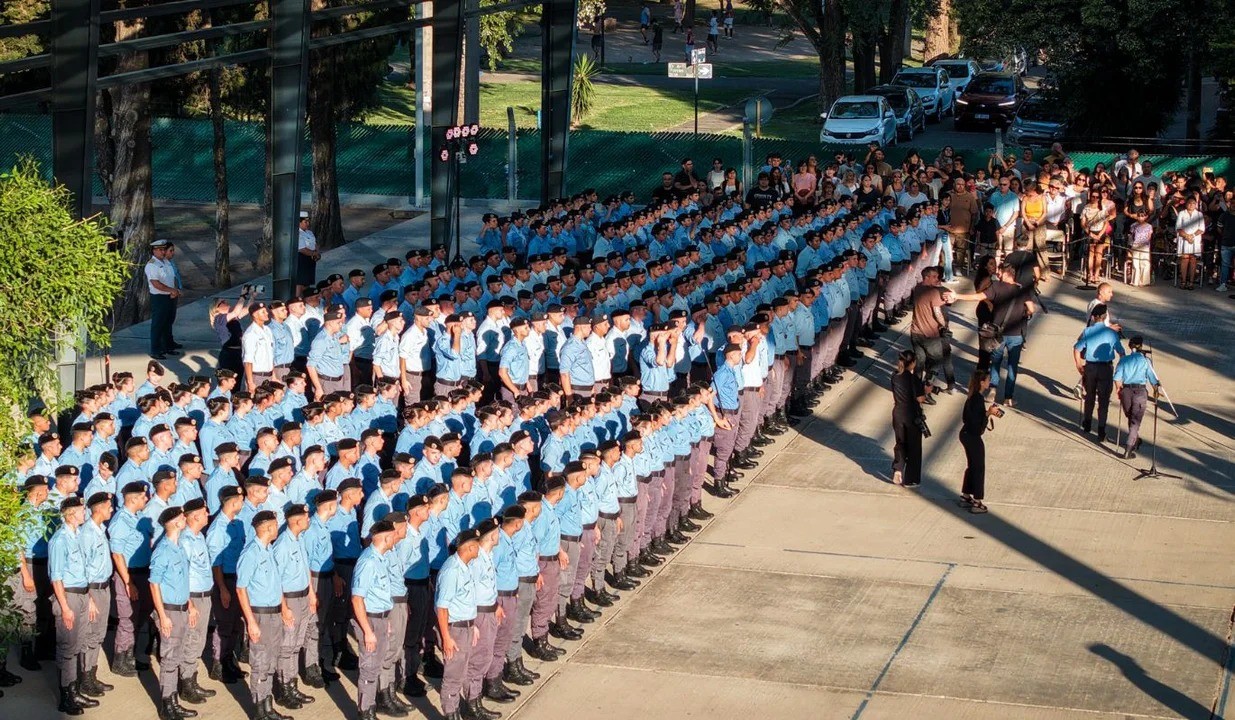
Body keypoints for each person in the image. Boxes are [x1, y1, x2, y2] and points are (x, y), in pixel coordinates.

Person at [950, 264, 1036, 406]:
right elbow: (1031, 309)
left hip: (998, 333)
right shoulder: (1022, 290)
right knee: (1012, 366)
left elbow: (978, 296)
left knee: (995, 363)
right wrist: (1023, 313)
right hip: (1016, 334)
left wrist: (957, 296)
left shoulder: (996, 287)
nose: (998, 274)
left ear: (1008, 273)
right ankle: (1008, 397)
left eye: (1000, 272)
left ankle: (993, 390)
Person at [235, 510, 287, 720]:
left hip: (274, 614)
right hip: (260, 615)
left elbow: (276, 583)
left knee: (271, 661)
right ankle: (259, 710)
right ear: (267, 528)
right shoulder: (251, 553)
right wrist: (251, 622)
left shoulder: (269, 550)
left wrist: (283, 608)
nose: (277, 528)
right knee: (260, 663)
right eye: (275, 525)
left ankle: (268, 707)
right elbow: (241, 589)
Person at [149, 505, 198, 720]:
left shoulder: (178, 547)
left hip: (181, 609)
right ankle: (167, 705)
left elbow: (181, 581)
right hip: (169, 611)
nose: (184, 519)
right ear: (175, 523)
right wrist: (162, 615)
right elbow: (154, 585)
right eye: (181, 517)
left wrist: (190, 604)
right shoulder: (163, 550)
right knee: (169, 660)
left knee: (177, 656)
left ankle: (174, 701)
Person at [48, 496, 95, 716]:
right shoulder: (60, 540)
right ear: (70, 513)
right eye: (81, 509)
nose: (84, 512)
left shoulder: (76, 536)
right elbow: (56, 577)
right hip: (69, 597)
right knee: (67, 648)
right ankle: (66, 695)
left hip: (82, 594)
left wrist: (90, 597)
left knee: (77, 645)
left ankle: (74, 689)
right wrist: (65, 607)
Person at [436, 527, 483, 720]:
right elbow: (441, 608)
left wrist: (473, 625)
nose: (479, 549)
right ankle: (450, 713)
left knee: (462, 672)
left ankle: (458, 710)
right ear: (469, 548)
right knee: (453, 677)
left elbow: (465, 601)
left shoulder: (465, 567)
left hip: (466, 627)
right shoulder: (451, 571)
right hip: (454, 630)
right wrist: (446, 637)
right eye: (477, 546)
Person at [351, 518, 396, 720]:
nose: (396, 539)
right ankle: (365, 712)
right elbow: (357, 598)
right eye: (394, 535)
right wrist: (368, 631)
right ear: (386, 537)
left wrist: (385, 620)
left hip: (379, 618)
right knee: (369, 670)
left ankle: (369, 707)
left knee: (375, 667)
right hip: (369, 621)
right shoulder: (368, 561)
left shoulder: (379, 558)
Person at [1073, 303, 1126, 442]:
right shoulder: (1111, 333)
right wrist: (1121, 369)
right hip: (1106, 369)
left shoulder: (1088, 331)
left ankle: (1087, 422)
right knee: (1103, 400)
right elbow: (1121, 352)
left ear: (1094, 317)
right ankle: (1101, 429)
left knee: (1089, 396)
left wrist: (1079, 364)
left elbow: (1077, 349)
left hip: (1090, 367)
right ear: (1104, 317)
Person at [958, 370, 1001, 514]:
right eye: (988, 379)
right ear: (982, 382)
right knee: (978, 467)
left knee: (972, 465)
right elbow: (979, 428)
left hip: (965, 434)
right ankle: (977, 501)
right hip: (973, 436)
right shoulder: (978, 399)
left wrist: (986, 414)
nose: (989, 382)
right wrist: (988, 414)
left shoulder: (971, 397)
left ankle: (965, 495)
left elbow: (966, 418)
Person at [890, 350, 926, 487]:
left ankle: (898, 469)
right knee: (914, 447)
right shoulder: (914, 379)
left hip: (898, 413)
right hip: (911, 415)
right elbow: (920, 398)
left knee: (900, 442)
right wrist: (926, 391)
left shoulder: (894, 376)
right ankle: (911, 479)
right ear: (911, 363)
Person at [146, 238, 182, 360]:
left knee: (168, 322)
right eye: (160, 250)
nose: (163, 252)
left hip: (170, 295)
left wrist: (175, 290)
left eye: (163, 249)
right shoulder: (152, 265)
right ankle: (155, 349)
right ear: (154, 251)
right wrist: (171, 290)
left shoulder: (165, 262)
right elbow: (156, 283)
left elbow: (172, 278)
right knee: (158, 324)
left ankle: (168, 345)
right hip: (159, 297)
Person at [1175, 195, 1205, 289]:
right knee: (1184, 258)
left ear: (1196, 204)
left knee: (1193, 259)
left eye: (1193, 203)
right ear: (1186, 204)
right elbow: (1178, 228)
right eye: (1189, 203)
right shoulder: (1181, 213)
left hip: (1195, 240)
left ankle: (1191, 282)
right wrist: (1187, 236)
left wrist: (1192, 236)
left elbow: (1201, 228)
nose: (1191, 205)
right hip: (1184, 239)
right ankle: (1183, 281)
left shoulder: (1199, 214)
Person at [297, 211, 321, 296]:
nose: (308, 223)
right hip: (301, 259)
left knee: (307, 283)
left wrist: (317, 253)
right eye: (305, 222)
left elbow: (315, 244)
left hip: (310, 259)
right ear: (299, 222)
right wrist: (314, 254)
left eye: (308, 221)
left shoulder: (309, 232)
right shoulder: (297, 233)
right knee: (300, 283)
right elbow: (302, 249)